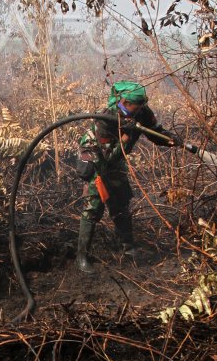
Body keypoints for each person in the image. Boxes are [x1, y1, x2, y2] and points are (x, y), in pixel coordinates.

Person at [76, 80, 179, 272]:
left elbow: (155, 132)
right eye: (132, 105)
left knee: (121, 201)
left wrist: (170, 139)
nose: (135, 109)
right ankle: (81, 258)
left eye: (139, 105)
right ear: (121, 100)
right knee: (94, 205)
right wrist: (125, 137)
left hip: (115, 158)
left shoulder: (142, 112)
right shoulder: (106, 119)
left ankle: (129, 248)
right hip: (96, 156)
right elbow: (107, 158)